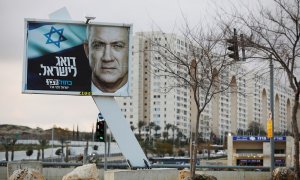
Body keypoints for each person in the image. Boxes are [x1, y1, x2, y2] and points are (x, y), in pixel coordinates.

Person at [84, 25, 129, 95]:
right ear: (87, 50)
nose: (107, 58)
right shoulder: (73, 92)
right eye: (98, 45)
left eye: (118, 46)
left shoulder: (138, 94)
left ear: (130, 50)